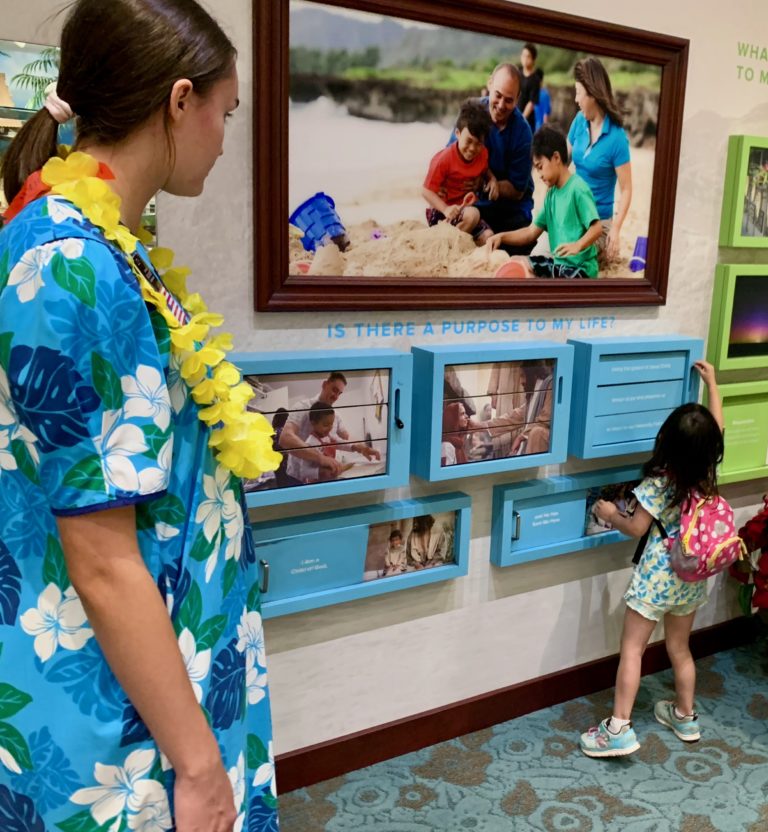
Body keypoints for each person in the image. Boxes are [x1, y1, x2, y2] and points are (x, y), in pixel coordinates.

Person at [0, 1, 279, 828]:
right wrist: (197, 767)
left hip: (166, 669)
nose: (226, 139)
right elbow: (101, 558)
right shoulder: (74, 263)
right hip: (121, 715)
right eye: (225, 114)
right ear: (179, 100)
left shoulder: (101, 239)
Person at [578, 362, 723, 758]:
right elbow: (718, 428)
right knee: (680, 648)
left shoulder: (658, 484)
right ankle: (685, 715)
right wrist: (712, 385)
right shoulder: (708, 473)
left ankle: (619, 728)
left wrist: (608, 513)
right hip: (691, 577)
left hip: (657, 577)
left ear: (666, 443)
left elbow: (637, 528)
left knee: (632, 649)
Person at [487, 125, 601, 279]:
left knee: (528, 270)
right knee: (516, 261)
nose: (539, 175)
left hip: (580, 269)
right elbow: (530, 232)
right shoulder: (551, 195)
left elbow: (597, 228)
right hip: (559, 265)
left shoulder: (577, 188)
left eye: (540, 167)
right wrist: (501, 236)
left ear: (556, 158)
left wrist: (578, 245)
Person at [567, 57, 633, 263]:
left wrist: (615, 228)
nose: (576, 99)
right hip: (573, 214)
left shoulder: (616, 138)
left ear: (593, 93)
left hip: (598, 223)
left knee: (572, 256)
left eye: (578, 93)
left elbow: (627, 188)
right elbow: (562, 163)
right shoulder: (579, 121)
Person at [458, 63, 534, 236]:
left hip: (511, 209)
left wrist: (488, 184)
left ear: (518, 98)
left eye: (509, 100)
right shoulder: (471, 114)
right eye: (497, 96)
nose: (501, 105)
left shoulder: (523, 133)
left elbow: (517, 190)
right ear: (489, 84)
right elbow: (451, 155)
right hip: (472, 202)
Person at [278, 371, 380, 476]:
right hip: (297, 476)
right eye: (334, 390)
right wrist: (320, 457)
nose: (336, 397)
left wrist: (362, 448)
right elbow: (285, 438)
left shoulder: (336, 416)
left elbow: (345, 438)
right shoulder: (302, 407)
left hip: (324, 476)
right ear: (324, 384)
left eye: (339, 393)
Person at [422, 98, 495, 244]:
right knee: (473, 214)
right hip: (442, 213)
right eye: (469, 141)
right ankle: (447, 244)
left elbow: (485, 168)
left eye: (478, 143)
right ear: (457, 133)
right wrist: (445, 209)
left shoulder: (483, 154)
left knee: (489, 237)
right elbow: (426, 191)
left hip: (464, 211)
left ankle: (461, 253)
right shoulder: (444, 159)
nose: (473, 148)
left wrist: (492, 179)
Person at [470, 360, 554, 456]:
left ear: (532, 375)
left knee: (536, 433)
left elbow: (544, 421)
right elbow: (511, 417)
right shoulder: (532, 397)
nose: (521, 381)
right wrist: (479, 426)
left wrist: (521, 436)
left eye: (522, 376)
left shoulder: (549, 385)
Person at [285, 402, 356, 483]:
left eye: (331, 424)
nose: (329, 428)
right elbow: (303, 471)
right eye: (326, 425)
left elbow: (340, 443)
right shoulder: (311, 443)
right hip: (316, 485)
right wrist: (321, 472)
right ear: (313, 423)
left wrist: (355, 447)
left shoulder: (328, 437)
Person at [517, 43, 543, 132]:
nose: (525, 59)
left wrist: (521, 119)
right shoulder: (517, 73)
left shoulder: (535, 79)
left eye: (528, 56)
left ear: (533, 59)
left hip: (526, 120)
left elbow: (531, 103)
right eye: (523, 55)